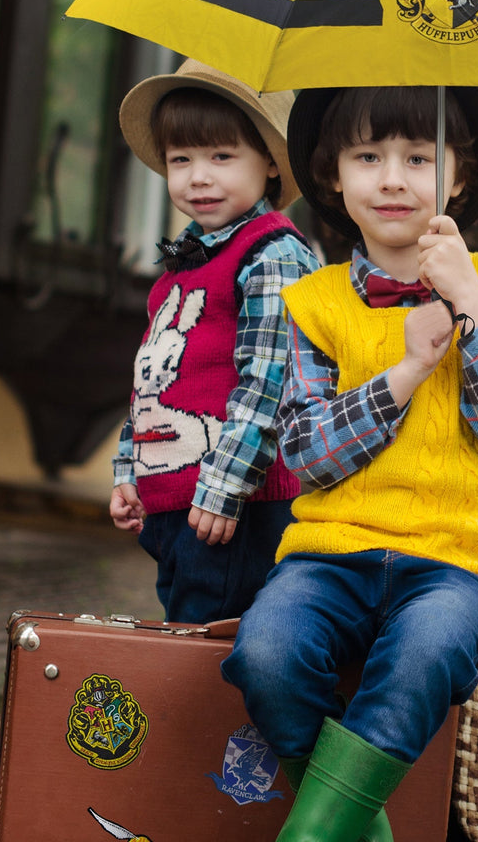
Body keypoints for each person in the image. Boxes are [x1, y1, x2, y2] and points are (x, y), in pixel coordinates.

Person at [221, 86, 478, 841]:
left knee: (424, 656)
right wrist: (403, 374)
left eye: (418, 157)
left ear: (460, 178)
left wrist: (469, 302)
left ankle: (313, 835)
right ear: (334, 176)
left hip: (455, 561)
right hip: (329, 554)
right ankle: (361, 830)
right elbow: (304, 454)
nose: (393, 178)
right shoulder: (313, 303)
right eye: (368, 157)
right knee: (266, 655)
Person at [108, 58, 319, 624]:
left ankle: (251, 719)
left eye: (221, 157)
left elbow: (270, 384)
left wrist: (227, 488)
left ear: (271, 163)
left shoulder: (271, 255)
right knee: (185, 628)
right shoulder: (181, 267)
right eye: (182, 160)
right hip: (175, 505)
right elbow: (151, 379)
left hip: (238, 506)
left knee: (212, 644)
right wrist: (130, 471)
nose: (198, 176)